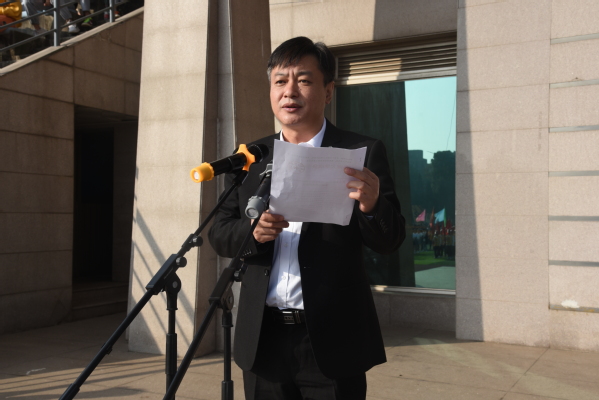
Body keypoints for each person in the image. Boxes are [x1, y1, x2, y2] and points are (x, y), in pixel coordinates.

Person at [208, 36, 405, 400]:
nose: (290, 91)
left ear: (328, 92)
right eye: (280, 81)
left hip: (332, 340)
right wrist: (253, 233)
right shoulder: (251, 157)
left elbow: (389, 240)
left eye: (303, 80)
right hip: (263, 338)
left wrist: (373, 206)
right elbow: (219, 233)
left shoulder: (359, 153)